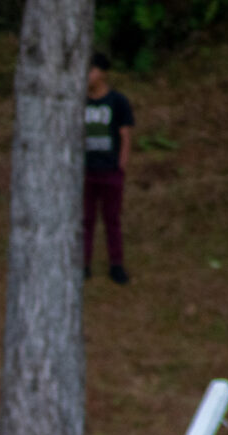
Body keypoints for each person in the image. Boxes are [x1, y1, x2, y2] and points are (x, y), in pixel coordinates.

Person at [84, 52, 135, 285]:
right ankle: (83, 264)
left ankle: (116, 264)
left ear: (102, 73)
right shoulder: (79, 102)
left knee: (112, 219)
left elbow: (125, 136)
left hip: (110, 170)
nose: (87, 76)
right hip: (86, 171)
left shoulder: (117, 101)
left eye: (91, 70)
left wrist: (120, 166)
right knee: (85, 219)